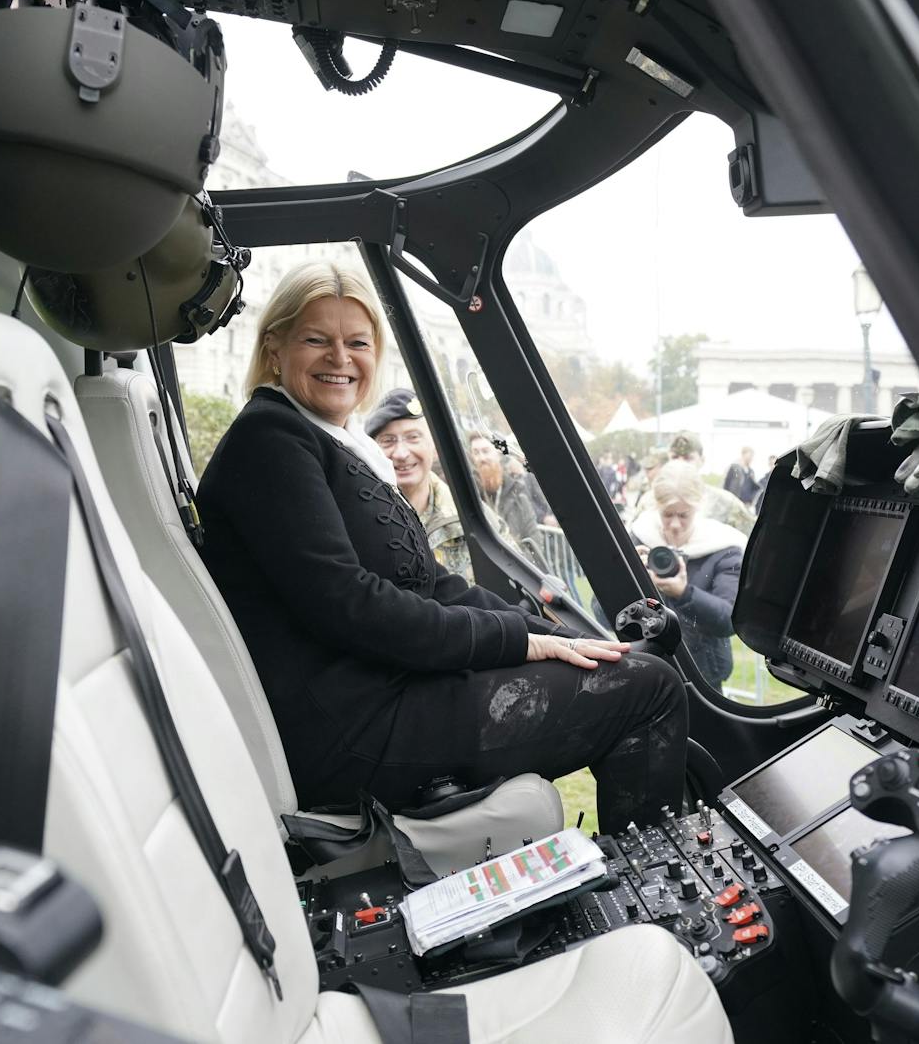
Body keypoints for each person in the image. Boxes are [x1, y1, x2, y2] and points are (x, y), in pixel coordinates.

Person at [198, 262, 688, 832]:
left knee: (625, 668)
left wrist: (556, 637)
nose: (340, 358)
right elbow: (354, 606)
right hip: (354, 730)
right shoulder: (272, 440)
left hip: (386, 694)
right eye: (317, 340)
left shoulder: (337, 443)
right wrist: (519, 644)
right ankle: (655, 887)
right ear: (275, 347)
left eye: (357, 342)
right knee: (649, 690)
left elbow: (431, 582)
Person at [366, 387, 514, 582]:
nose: (401, 453)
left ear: (434, 448)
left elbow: (514, 582)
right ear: (371, 450)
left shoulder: (474, 519)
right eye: (388, 440)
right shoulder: (358, 517)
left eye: (413, 437)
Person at [630, 463, 745, 689]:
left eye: (684, 515)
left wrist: (684, 594)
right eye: (667, 514)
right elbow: (603, 610)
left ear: (698, 507)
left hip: (703, 674)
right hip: (646, 664)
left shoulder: (722, 546)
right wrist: (630, 573)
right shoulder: (641, 537)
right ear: (656, 506)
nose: (674, 524)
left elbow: (728, 621)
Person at [469, 432, 543, 556]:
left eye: (486, 451)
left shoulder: (518, 496)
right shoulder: (469, 495)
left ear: (498, 454)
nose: (481, 458)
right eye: (476, 453)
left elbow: (535, 543)